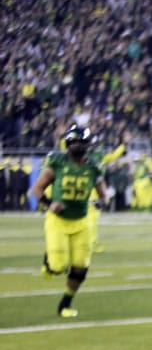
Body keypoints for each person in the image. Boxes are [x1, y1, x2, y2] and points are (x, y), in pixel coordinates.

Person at [30, 124, 111, 318]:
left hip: (82, 222)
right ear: (67, 143)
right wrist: (50, 204)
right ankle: (48, 261)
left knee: (80, 268)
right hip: (58, 220)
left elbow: (104, 195)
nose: (77, 145)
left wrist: (103, 202)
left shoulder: (93, 167)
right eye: (73, 142)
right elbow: (37, 188)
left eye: (81, 142)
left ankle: (64, 305)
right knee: (58, 267)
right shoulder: (57, 162)